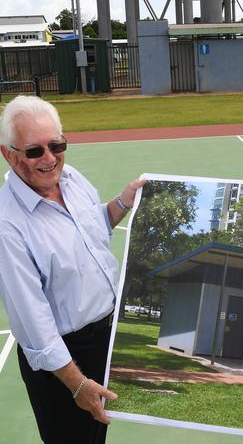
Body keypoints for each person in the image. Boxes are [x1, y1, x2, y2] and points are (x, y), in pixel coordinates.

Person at [0, 96, 144, 444]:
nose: (50, 158)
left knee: (96, 433)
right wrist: (77, 384)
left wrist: (123, 202)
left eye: (57, 145)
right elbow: (34, 325)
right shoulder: (7, 226)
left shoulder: (71, 179)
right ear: (9, 154)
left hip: (103, 340)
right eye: (35, 151)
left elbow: (92, 231)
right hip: (63, 363)